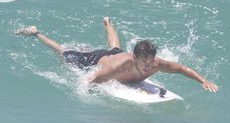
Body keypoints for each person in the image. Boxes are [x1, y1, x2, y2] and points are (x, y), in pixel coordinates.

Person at [16, 17, 218, 92]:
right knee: (64, 53)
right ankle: (36, 32)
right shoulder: (116, 69)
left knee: (115, 48)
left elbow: (181, 69)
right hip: (96, 60)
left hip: (116, 55)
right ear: (134, 58)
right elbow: (90, 80)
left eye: (150, 62)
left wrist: (203, 80)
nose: (148, 67)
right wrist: (89, 91)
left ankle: (108, 23)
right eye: (144, 63)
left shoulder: (155, 63)